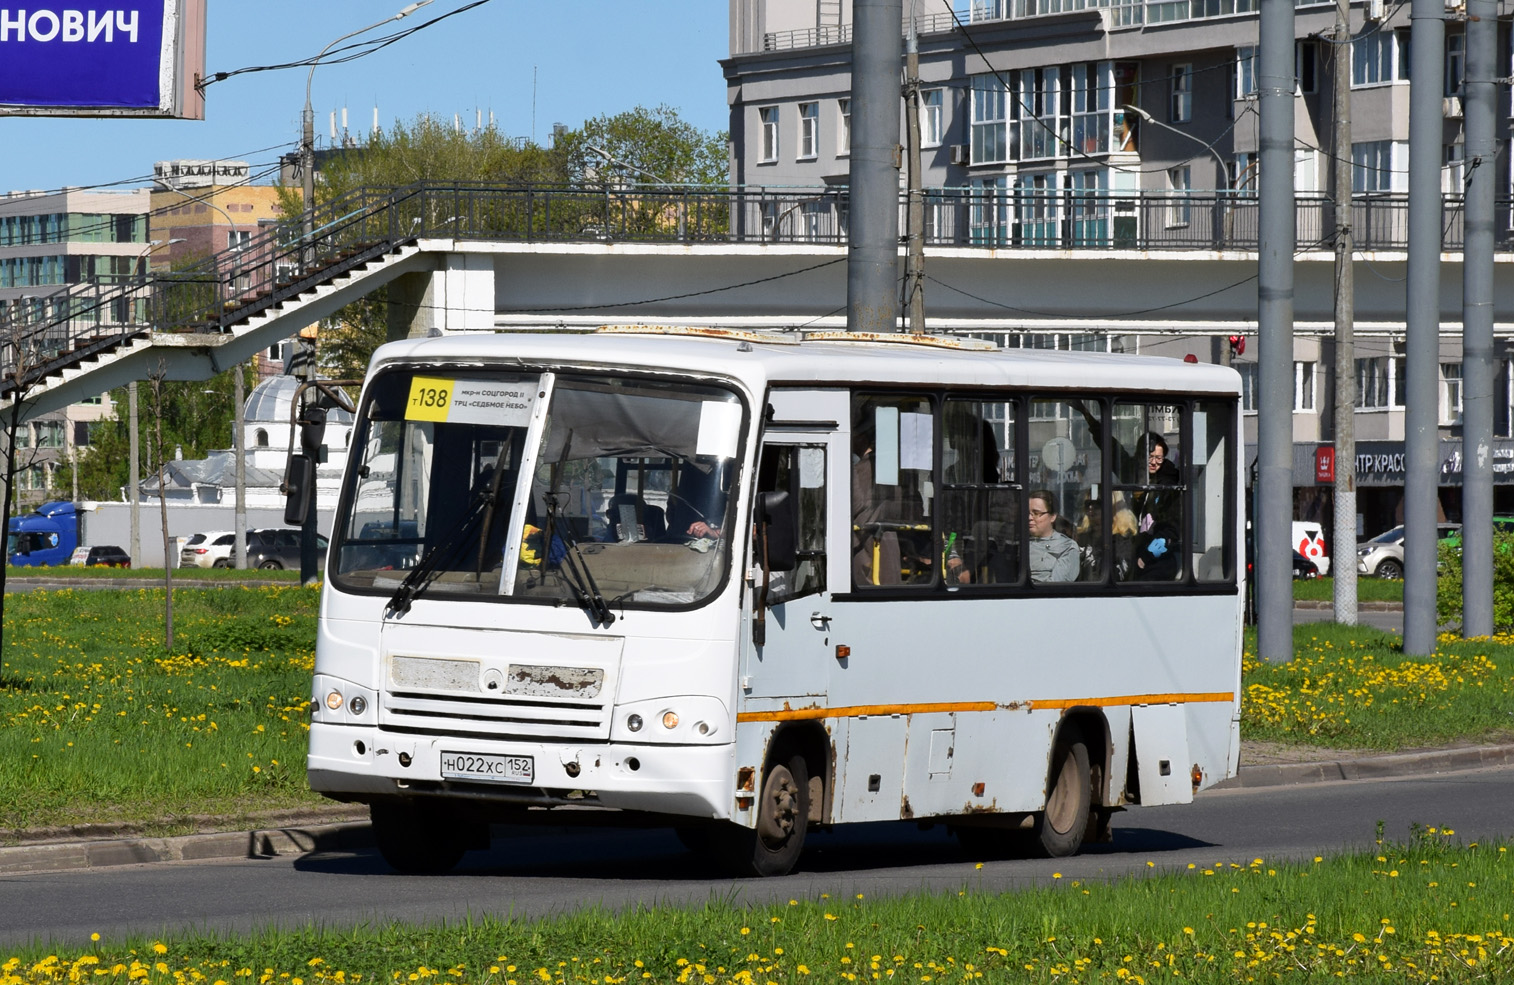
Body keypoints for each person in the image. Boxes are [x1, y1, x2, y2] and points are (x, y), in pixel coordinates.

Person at [1027, 489, 1080, 583]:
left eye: (1036, 513)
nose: (1030, 518)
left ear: (1052, 516)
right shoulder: (1018, 544)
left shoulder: (1067, 547)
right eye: (1027, 513)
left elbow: (1055, 588)